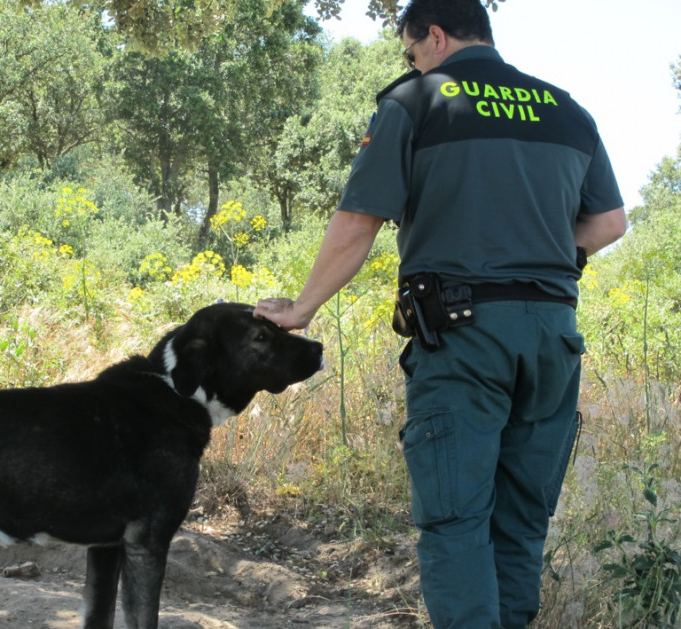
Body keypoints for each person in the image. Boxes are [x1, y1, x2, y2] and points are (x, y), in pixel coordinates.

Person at [254, 0, 627, 626]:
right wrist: (535, 253)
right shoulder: (567, 110)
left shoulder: (415, 101)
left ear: (434, 35)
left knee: (456, 519)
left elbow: (357, 221)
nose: (413, 62)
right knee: (521, 519)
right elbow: (610, 223)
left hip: (466, 334)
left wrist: (301, 308)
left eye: (412, 51)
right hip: (554, 337)